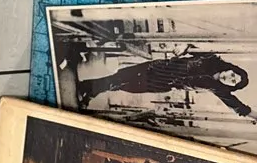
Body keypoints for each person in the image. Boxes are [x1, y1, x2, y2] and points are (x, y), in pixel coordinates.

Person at [77, 49, 255, 118]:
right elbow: (191, 49)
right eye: (233, 75)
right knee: (122, 76)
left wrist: (253, 115)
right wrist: (182, 49)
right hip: (158, 68)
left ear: (231, 86)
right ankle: (88, 89)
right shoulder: (212, 59)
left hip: (162, 83)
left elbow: (237, 106)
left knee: (125, 86)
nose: (229, 78)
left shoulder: (217, 88)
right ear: (232, 69)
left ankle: (89, 88)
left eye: (233, 82)